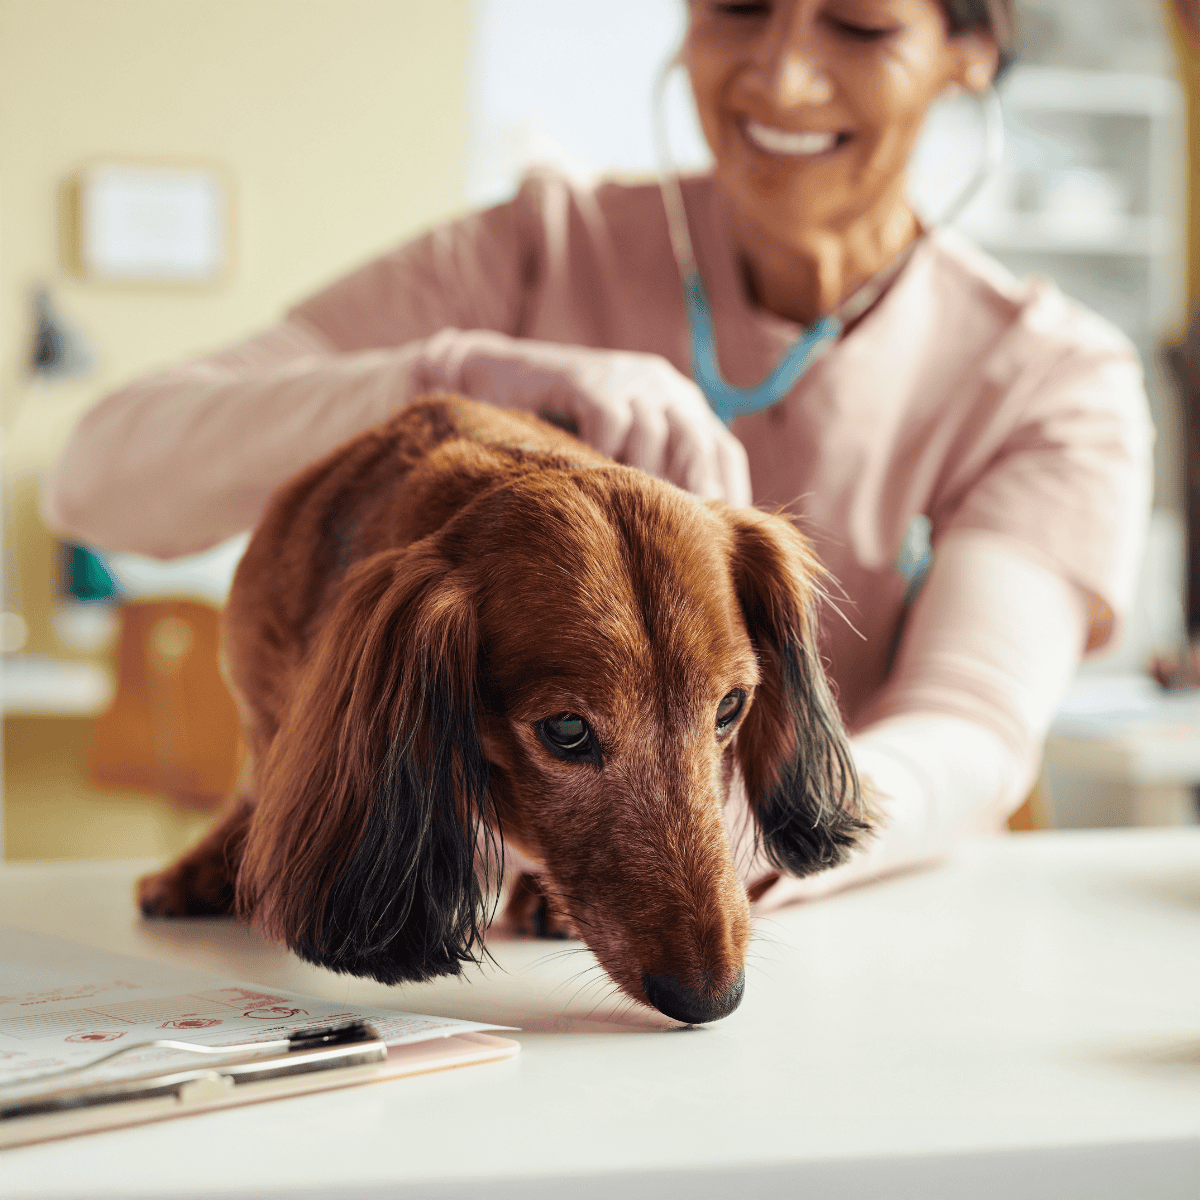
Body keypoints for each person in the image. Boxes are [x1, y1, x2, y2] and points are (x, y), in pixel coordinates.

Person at [43, 0, 1152, 909]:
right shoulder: (534, 249)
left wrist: (693, 851)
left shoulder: (1052, 378)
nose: (783, 77)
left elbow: (972, 728)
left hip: (825, 945)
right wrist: (448, 377)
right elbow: (95, 481)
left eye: (858, 27)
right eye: (740, 9)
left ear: (969, 52)